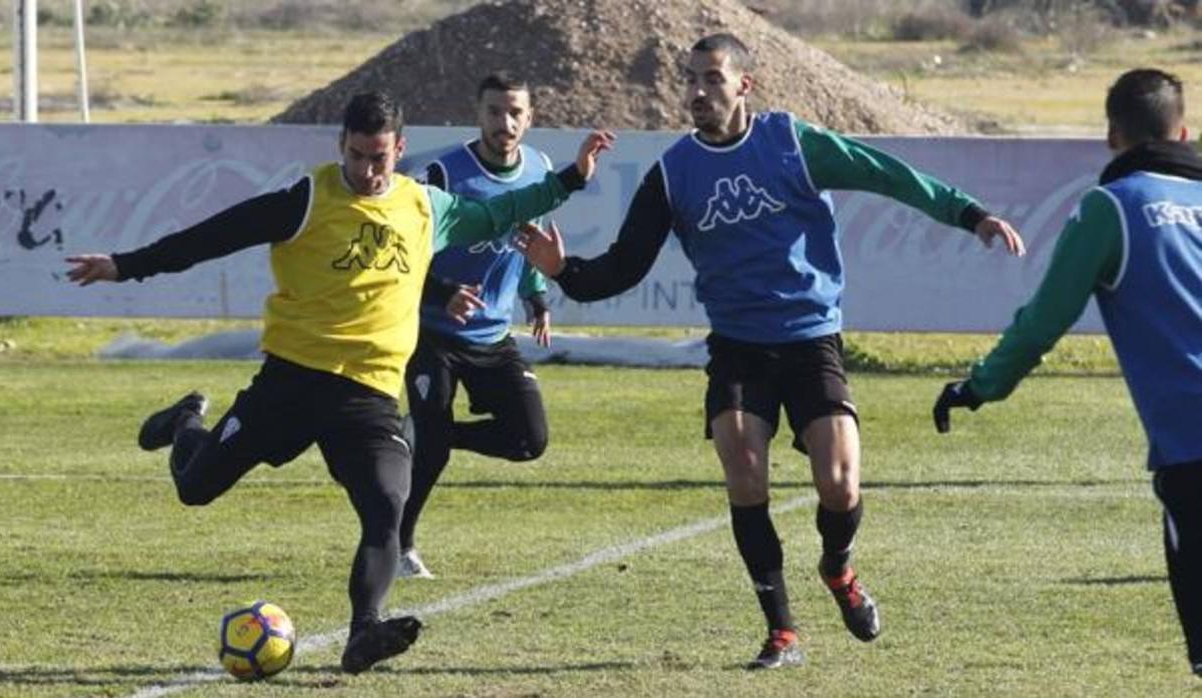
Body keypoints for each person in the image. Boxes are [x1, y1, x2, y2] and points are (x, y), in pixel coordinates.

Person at [515, 33, 1026, 670]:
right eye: (692, 80)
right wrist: (563, 271)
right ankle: (781, 630)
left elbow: (887, 176)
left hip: (811, 339)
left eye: (712, 79)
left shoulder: (791, 143)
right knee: (741, 461)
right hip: (737, 347)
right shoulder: (673, 172)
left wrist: (969, 214)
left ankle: (838, 571)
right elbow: (622, 268)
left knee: (839, 484)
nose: (698, 92)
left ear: (743, 85)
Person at [64, 90, 614, 674]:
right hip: (292, 382)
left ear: (399, 150)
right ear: (341, 148)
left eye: (379, 158)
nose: (367, 171)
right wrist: (127, 264)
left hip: (369, 394)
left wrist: (571, 179)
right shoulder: (307, 199)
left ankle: (364, 630)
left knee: (386, 505)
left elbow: (500, 213)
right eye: (356, 156)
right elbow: (214, 235)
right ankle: (186, 422)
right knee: (196, 488)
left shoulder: (426, 206)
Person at [933, 68, 1202, 678]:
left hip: (1194, 447)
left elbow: (1043, 322)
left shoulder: (1112, 207)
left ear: (1111, 135)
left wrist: (979, 386)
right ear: (1183, 131)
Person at [396, 72, 555, 580]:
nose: (504, 123)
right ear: (477, 113)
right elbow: (403, 256)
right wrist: (442, 295)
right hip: (432, 333)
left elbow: (529, 240)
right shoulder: (442, 175)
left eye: (515, 113)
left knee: (530, 440)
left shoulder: (539, 169)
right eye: (494, 111)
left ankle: (426, 432)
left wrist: (535, 295)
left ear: (530, 118)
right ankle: (401, 546)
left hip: (492, 336)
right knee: (431, 452)